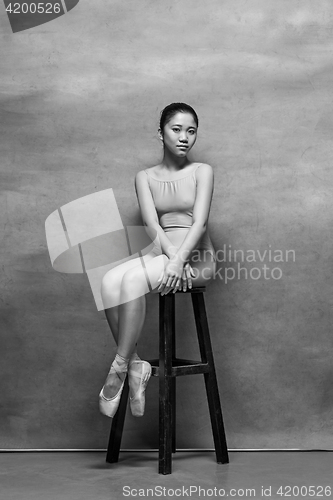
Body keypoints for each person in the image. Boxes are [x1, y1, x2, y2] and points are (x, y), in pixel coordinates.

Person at [99, 102, 217, 419]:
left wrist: (178, 262)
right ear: (160, 132)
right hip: (161, 252)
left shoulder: (202, 171)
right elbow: (152, 225)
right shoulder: (145, 177)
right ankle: (136, 364)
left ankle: (120, 367)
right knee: (108, 281)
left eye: (191, 131)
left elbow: (200, 224)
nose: (184, 137)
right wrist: (169, 257)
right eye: (176, 129)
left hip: (195, 258)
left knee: (134, 281)